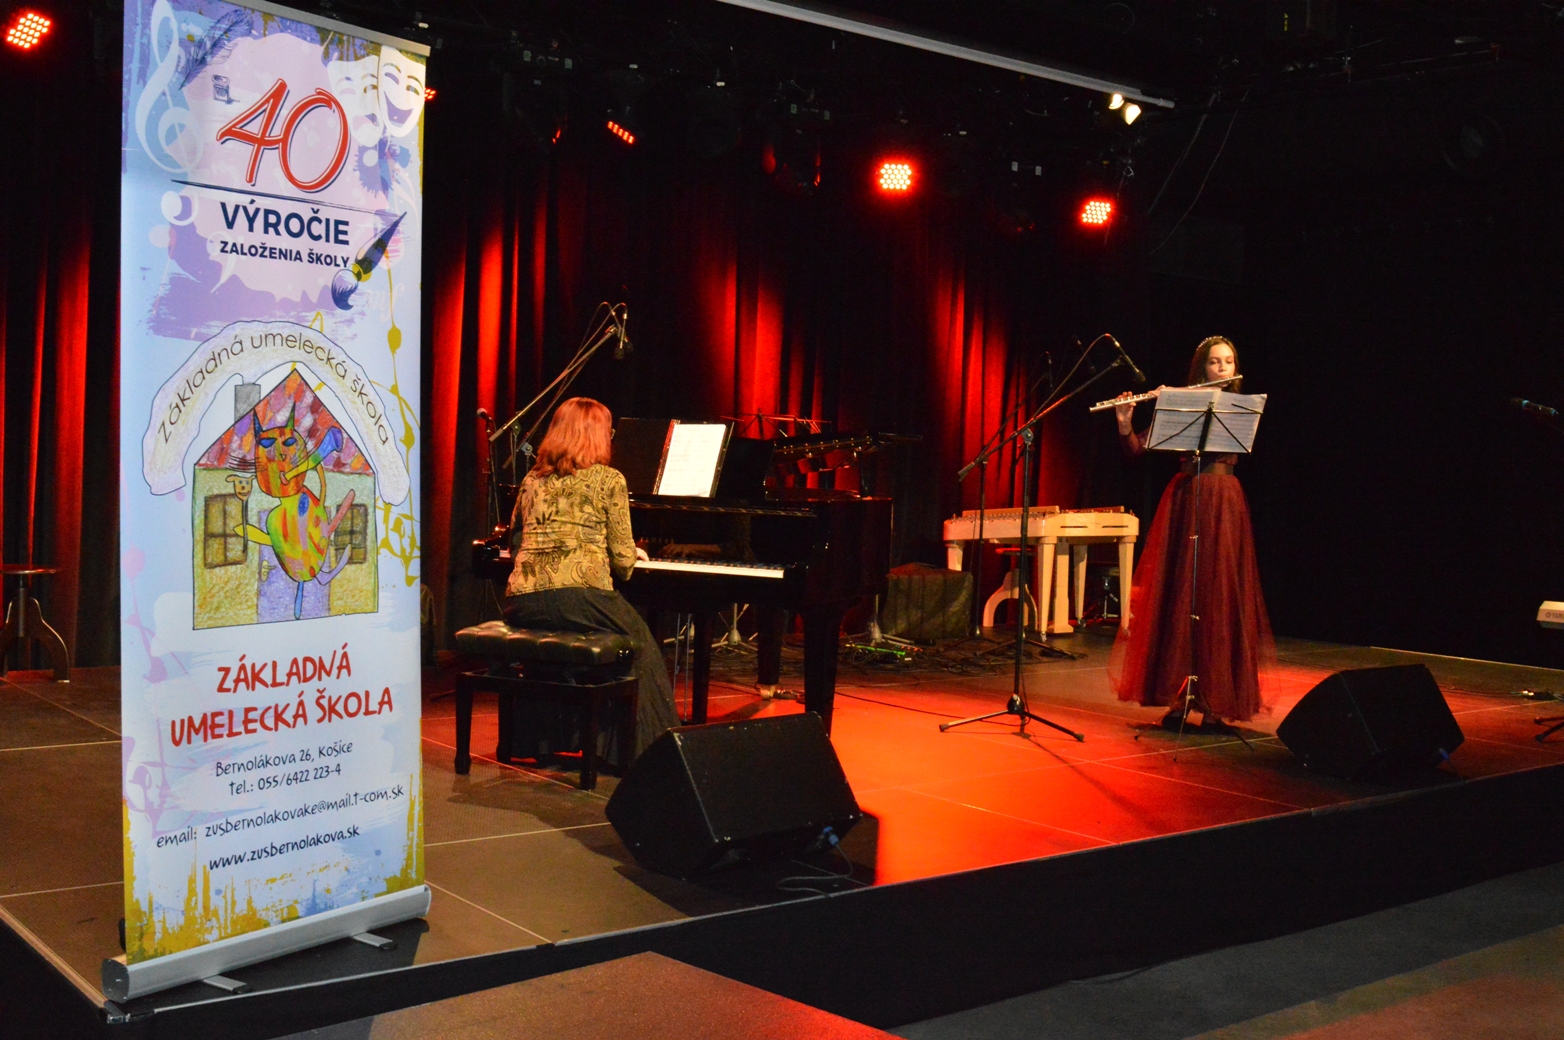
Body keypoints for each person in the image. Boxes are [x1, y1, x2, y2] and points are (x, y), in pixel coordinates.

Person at [1109, 336, 1274, 730]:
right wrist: (1126, 423)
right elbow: (1138, 449)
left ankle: (1216, 703)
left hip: (1224, 500)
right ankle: (1178, 698)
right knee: (1181, 594)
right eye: (1215, 362)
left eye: (1229, 361)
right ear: (1202, 369)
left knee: (1220, 596)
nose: (1223, 368)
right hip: (1187, 497)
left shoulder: (1239, 407)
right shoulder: (1182, 401)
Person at [503, 397, 679, 760]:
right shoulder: (609, 480)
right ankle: (649, 756)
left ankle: (536, 742)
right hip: (579, 596)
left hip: (524, 601)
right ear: (598, 435)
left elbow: (515, 541)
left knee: (562, 651)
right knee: (641, 648)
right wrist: (632, 552)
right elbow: (624, 563)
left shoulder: (532, 479)